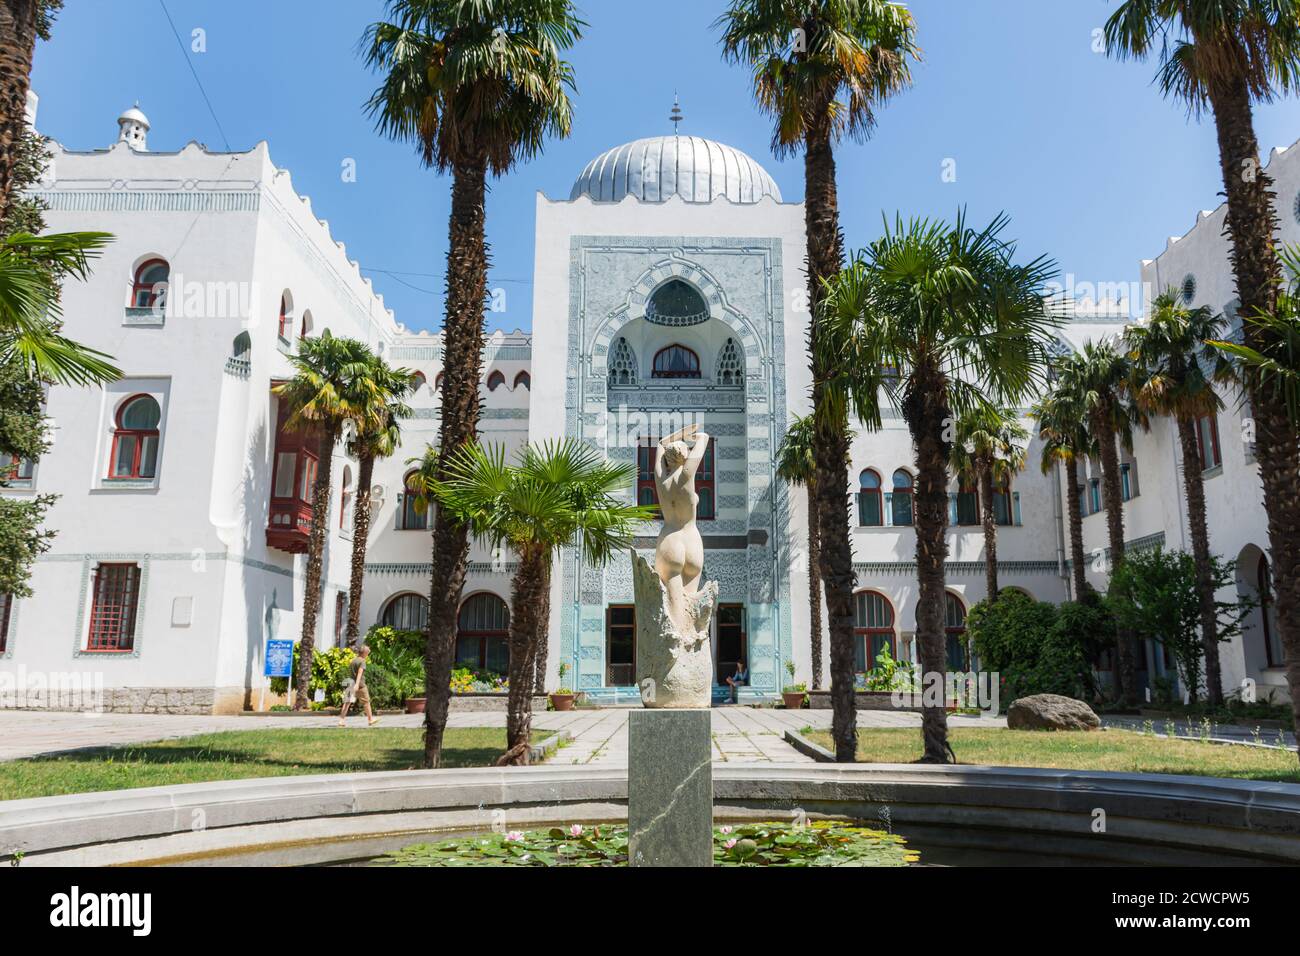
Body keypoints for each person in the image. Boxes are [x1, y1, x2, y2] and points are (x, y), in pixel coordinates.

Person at [653, 423, 711, 635]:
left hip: (670, 540)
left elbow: (660, 443)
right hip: (692, 540)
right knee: (689, 615)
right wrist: (693, 434)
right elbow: (704, 437)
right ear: (685, 457)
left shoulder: (661, 480)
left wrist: (681, 434)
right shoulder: (688, 474)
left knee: (673, 612)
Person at [338, 644, 380, 727]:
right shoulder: (362, 661)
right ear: (364, 653)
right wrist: (357, 684)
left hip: (350, 683)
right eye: (368, 653)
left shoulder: (353, 660)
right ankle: (370, 719)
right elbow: (360, 673)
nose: (368, 655)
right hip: (360, 685)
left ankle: (341, 720)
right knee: (366, 702)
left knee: (347, 702)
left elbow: (351, 673)